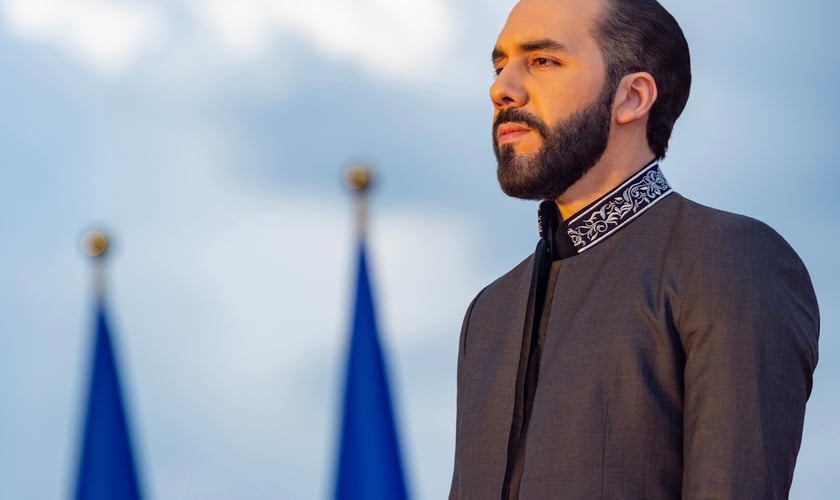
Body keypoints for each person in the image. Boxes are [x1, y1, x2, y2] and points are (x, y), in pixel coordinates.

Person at [448, 0, 820, 498]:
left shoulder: (728, 260)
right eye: (499, 65)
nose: (501, 88)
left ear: (632, 97)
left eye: (543, 61)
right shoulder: (489, 312)